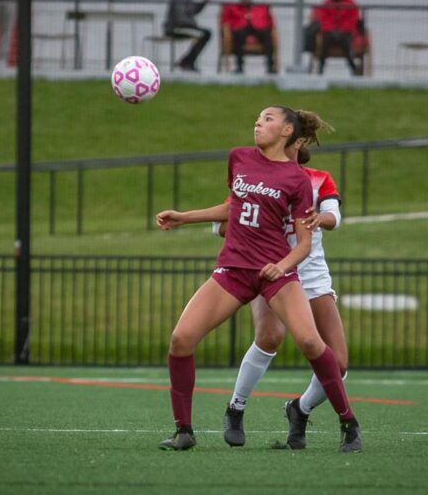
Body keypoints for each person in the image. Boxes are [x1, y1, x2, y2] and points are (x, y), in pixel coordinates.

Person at [155, 106, 361, 453]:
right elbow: (234, 208)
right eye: (257, 118)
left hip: (277, 273)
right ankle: (184, 430)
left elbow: (307, 241)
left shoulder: (300, 179)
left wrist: (282, 266)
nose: (258, 122)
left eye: (268, 119)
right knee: (181, 338)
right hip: (235, 269)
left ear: (287, 132)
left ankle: (349, 423)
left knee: (313, 344)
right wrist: (184, 217)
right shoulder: (238, 158)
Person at [213, 139, 349, 450]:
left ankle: (299, 409)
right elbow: (225, 224)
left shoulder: (317, 178)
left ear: (296, 141)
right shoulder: (253, 175)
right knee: (270, 336)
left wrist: (319, 218)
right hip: (268, 268)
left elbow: (334, 217)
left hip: (311, 274)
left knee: (338, 363)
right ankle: (236, 407)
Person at [164, 0, 212, 72]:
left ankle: (186, 61)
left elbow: (193, 11)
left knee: (205, 33)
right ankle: (187, 62)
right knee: (204, 34)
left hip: (184, 26)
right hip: (176, 28)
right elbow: (179, 18)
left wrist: (204, 2)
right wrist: (193, 25)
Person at [222, 0, 276, 74]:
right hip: (241, 27)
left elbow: (269, 21)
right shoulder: (234, 8)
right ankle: (239, 66)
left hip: (256, 27)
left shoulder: (259, 8)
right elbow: (227, 21)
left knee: (267, 35)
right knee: (238, 35)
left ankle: (270, 66)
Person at [315, 0, 361, 75]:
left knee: (345, 42)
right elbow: (323, 19)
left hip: (345, 33)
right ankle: (320, 69)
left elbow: (353, 20)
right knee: (325, 41)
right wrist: (332, 29)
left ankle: (353, 67)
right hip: (330, 33)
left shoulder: (350, 3)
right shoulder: (326, 3)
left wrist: (342, 30)